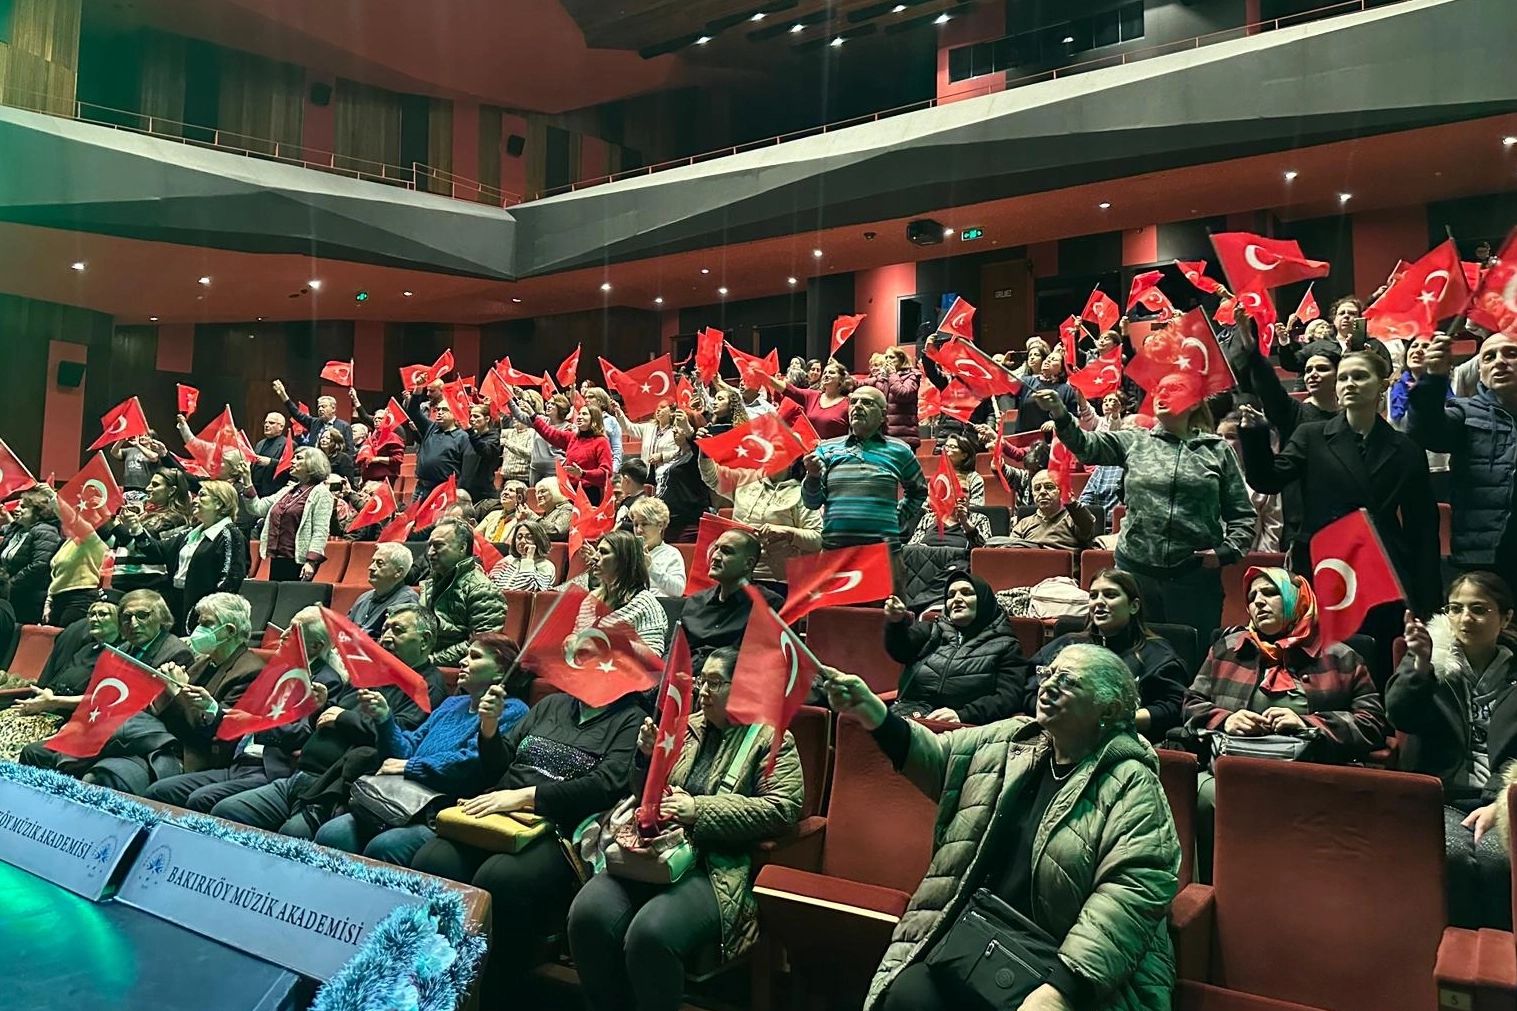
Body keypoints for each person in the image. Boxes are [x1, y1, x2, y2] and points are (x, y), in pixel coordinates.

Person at [822, 643, 1180, 1011]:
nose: (1048, 686)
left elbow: (1130, 893)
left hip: (1071, 969)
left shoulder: (1132, 783)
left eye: (1068, 681)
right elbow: (941, 758)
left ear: (1109, 709)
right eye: (1048, 674)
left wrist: (1061, 990)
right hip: (981, 941)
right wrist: (873, 712)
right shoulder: (1016, 738)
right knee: (906, 996)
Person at [567, 645, 805, 1011]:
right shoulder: (685, 728)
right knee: (587, 915)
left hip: (714, 865)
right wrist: (646, 760)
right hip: (655, 850)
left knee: (650, 934)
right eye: (701, 681)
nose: (703, 691)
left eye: (715, 683)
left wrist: (699, 810)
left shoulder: (770, 739)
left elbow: (782, 809)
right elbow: (645, 795)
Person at [1184, 567, 1388, 880]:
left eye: (1270, 593)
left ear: (1297, 600)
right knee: (1200, 794)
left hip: (1311, 771)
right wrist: (1226, 719)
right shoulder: (1227, 649)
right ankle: (1215, 890)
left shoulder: (1341, 657)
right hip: (1234, 767)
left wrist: (1309, 723)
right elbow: (1191, 705)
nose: (1258, 602)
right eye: (1252, 597)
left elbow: (1372, 722)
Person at [1036, 377, 1255, 640]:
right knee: (1132, 651)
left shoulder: (1216, 450)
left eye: (1174, 389)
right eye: (1159, 389)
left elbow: (1243, 515)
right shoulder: (1135, 441)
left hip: (1194, 579)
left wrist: (1225, 552)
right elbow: (1085, 446)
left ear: (1195, 402)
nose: (1162, 394)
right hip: (1135, 575)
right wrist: (1060, 413)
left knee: (1192, 654)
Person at [1239, 349, 1441, 620]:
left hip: (1382, 561)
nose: (1349, 384)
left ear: (1382, 385)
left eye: (1360, 376)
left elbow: (1422, 528)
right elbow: (1267, 480)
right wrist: (1255, 436)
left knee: (1379, 637)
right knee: (1322, 643)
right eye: (1343, 378)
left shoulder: (1406, 449)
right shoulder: (1311, 435)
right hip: (1323, 561)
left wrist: (1427, 601)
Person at [210, 604, 446, 835]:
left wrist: (344, 718)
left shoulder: (426, 687)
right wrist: (322, 706)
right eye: (384, 629)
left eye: (398, 630)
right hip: (300, 776)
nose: (386, 637)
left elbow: (398, 739)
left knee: (292, 833)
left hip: (334, 791)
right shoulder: (372, 671)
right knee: (226, 811)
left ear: (424, 640)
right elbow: (328, 717)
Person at [314, 632, 530, 866]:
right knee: (331, 834)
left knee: (383, 847)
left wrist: (411, 766)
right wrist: (384, 718)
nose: (462, 661)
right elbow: (407, 748)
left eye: (475, 656)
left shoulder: (513, 710)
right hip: (400, 796)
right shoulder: (452, 703)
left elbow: (473, 762)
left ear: (500, 671)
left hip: (441, 808)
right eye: (466, 654)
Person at [1388, 572, 1517, 930]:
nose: (1464, 619)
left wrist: (1500, 804)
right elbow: (1400, 716)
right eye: (1456, 608)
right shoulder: (1432, 660)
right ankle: (1457, 950)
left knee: (1498, 863)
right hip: (1441, 794)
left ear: (1505, 618)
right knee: (1453, 858)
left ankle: (1497, 952)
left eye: (1479, 609)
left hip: (1502, 797)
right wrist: (1421, 668)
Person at [147, 608, 346, 811]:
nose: (284, 634)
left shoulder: (324, 682)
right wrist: (212, 708)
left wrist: (254, 724)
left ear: (315, 646)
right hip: (237, 761)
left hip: (268, 768)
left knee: (201, 799)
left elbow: (302, 734)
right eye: (288, 626)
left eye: (294, 631)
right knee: (159, 791)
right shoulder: (276, 670)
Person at [18, 589, 195, 790]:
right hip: (103, 729)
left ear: (162, 618)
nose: (134, 623)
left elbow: (148, 709)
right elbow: (102, 697)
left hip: (141, 740)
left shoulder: (176, 653)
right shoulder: (122, 649)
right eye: (127, 617)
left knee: (94, 777)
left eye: (143, 615)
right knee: (34, 752)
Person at [1028, 569, 1188, 742]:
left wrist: (1109, 720)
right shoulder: (1067, 644)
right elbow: (1029, 689)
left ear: (1134, 606)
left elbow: (1172, 708)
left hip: (1125, 739)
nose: (1099, 602)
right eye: (1093, 596)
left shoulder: (1158, 654)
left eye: (1110, 595)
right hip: (1057, 737)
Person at [1408, 331, 1517, 576]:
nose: (1499, 361)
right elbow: (1425, 431)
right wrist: (1433, 379)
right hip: (1483, 556)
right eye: (1489, 357)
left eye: (1511, 353)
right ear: (1481, 372)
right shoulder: (1464, 412)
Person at [881, 573, 1028, 725]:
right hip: (910, 714)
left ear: (984, 600)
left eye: (966, 593)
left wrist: (963, 715)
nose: (956, 599)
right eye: (951, 595)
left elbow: (1009, 697)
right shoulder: (932, 631)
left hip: (962, 725)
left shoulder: (1006, 645)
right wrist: (896, 624)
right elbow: (900, 650)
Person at [150, 592, 266, 774]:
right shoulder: (205, 662)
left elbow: (216, 731)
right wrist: (165, 686)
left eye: (206, 624)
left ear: (230, 631)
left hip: (197, 756)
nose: (198, 629)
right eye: (199, 623)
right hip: (168, 740)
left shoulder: (251, 672)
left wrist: (178, 691)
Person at [802, 386, 927, 553]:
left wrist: (896, 517)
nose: (858, 406)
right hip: (835, 552)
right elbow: (811, 503)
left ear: (883, 415)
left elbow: (918, 492)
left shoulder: (900, 450)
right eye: (853, 402)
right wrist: (813, 476)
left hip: (883, 552)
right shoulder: (826, 449)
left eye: (867, 403)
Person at [117, 481, 246, 634]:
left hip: (203, 609)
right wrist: (137, 528)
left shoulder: (229, 534)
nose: (195, 500)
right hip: (177, 600)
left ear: (219, 503)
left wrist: (208, 610)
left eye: (202, 495)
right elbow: (157, 551)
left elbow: (231, 578)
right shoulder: (191, 533)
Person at [0, 599, 120, 761]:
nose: (94, 619)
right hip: (48, 707)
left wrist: (52, 702)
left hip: (72, 716)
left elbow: (101, 700)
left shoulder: (121, 656)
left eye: (102, 614)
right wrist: (41, 699)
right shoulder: (87, 648)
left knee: (12, 735)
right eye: (92, 614)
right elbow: (57, 680)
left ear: (119, 618)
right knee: (6, 717)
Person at [697, 456, 821, 583]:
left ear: (792, 459)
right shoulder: (744, 478)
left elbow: (818, 539)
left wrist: (788, 532)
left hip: (774, 580)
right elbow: (711, 476)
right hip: (734, 575)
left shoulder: (801, 494)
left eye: (777, 450)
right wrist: (704, 453)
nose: (770, 454)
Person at [420, 518, 508, 668]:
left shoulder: (482, 589)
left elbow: (481, 643)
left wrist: (431, 660)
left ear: (462, 548)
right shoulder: (430, 584)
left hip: (450, 669)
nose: (430, 552)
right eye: (430, 546)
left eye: (438, 545)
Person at [680, 529, 782, 658]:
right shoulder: (695, 602)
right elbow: (673, 651)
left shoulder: (768, 606)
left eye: (726, 551)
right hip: (687, 670)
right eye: (716, 549)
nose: (715, 557)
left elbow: (763, 659)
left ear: (748, 564)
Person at [241, 447, 335, 582]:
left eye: (298, 458)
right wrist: (247, 481)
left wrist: (311, 562)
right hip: (278, 558)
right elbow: (258, 508)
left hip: (300, 562)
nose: (292, 461)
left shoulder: (322, 493)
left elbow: (320, 531)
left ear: (313, 464)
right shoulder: (288, 490)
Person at [571, 530, 668, 656]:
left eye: (604, 552)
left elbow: (653, 656)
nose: (594, 557)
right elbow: (577, 636)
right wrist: (571, 641)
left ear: (624, 560)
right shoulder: (590, 600)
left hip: (620, 668)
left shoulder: (644, 604)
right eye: (597, 550)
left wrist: (618, 643)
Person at [105, 470, 193, 598]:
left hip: (148, 587)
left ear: (171, 490)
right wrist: (100, 520)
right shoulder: (144, 516)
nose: (148, 488)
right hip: (124, 584)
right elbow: (114, 543)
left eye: (155, 485)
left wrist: (117, 524)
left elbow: (140, 547)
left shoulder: (176, 520)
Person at [515, 399, 613, 505]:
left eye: (584, 414)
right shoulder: (572, 438)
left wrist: (583, 473)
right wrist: (532, 414)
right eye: (579, 413)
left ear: (594, 419)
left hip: (590, 493)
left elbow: (606, 472)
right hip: (569, 490)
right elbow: (548, 432)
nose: (579, 416)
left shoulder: (601, 442)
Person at [1214, 413, 1282, 554]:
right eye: (1218, 436)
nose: (1222, 441)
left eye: (1230, 436)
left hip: (1248, 556)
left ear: (1245, 440)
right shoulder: (1207, 474)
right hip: (1210, 555)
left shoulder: (1262, 480)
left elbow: (1272, 527)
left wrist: (1262, 561)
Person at [0, 488, 63, 624]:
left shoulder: (45, 531)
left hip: (29, 600)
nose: (17, 509)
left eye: (23, 507)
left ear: (38, 511)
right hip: (10, 597)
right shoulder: (16, 529)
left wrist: (8, 585)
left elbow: (39, 566)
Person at [1008, 470, 1098, 552]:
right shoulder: (1023, 524)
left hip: (1063, 564)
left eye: (1049, 487)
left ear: (1061, 491)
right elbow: (1011, 552)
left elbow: (1087, 524)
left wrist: (1071, 502)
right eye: (1037, 488)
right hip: (1031, 563)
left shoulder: (1073, 519)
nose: (1042, 492)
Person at [406, 389, 469, 504]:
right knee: (414, 515)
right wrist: (418, 388)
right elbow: (413, 411)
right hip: (421, 487)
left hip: (442, 489)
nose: (439, 412)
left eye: (444, 410)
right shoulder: (431, 428)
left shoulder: (463, 437)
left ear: (455, 414)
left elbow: (465, 469)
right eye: (438, 409)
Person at [347, 541, 421, 637]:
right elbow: (343, 630)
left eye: (379, 563)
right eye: (372, 562)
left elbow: (390, 639)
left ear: (398, 572)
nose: (371, 567)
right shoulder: (363, 597)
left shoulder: (407, 601)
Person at [44, 524, 107, 629]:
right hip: (58, 598)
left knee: (68, 636)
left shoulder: (91, 537)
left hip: (81, 597)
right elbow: (56, 575)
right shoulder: (69, 541)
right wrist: (49, 601)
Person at [781, 359, 853, 440]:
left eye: (831, 372)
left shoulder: (849, 402)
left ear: (841, 379)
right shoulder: (812, 396)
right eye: (824, 373)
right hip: (810, 446)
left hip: (834, 447)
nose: (826, 375)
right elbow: (790, 390)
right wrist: (770, 380)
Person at [630, 497, 685, 598]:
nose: (638, 530)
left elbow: (678, 591)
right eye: (636, 524)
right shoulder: (628, 551)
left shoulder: (671, 554)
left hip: (659, 604)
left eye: (644, 524)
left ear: (660, 525)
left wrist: (651, 567)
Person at [870, 345, 922, 450]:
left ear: (901, 359)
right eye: (886, 357)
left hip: (904, 436)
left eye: (892, 357)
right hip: (884, 436)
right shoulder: (882, 378)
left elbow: (903, 394)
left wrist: (892, 374)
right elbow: (862, 384)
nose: (888, 360)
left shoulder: (912, 375)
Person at [275, 383, 353, 451]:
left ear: (333, 408)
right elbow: (296, 414)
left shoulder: (344, 426)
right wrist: (284, 396)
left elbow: (350, 450)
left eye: (324, 406)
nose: (320, 409)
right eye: (319, 407)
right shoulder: (314, 422)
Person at [489, 519, 557, 592]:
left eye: (529, 537)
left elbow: (526, 591)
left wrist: (528, 559)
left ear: (539, 541)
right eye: (519, 537)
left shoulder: (546, 566)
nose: (522, 541)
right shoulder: (508, 560)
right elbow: (490, 586)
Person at [460, 403, 504, 505]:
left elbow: (484, 450)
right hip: (465, 490)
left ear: (487, 419)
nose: (472, 419)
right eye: (471, 416)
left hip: (483, 493)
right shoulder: (467, 437)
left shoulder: (493, 437)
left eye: (476, 416)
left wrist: (470, 432)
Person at [245, 412, 290, 498]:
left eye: (271, 423)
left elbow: (289, 467)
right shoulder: (260, 444)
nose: (266, 425)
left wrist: (271, 462)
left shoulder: (288, 443)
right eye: (265, 422)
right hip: (255, 490)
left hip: (273, 492)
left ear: (281, 426)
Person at [532, 476, 575, 541]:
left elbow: (558, 532)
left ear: (555, 491)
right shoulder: (545, 514)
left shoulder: (567, 508)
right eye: (537, 493)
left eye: (543, 491)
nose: (539, 496)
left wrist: (533, 518)